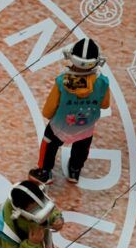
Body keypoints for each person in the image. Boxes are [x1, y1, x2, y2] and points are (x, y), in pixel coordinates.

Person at [29, 38, 110, 185]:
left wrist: (50, 116)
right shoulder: (103, 82)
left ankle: (44, 172)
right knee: (82, 149)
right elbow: (105, 104)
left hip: (60, 126)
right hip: (86, 127)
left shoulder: (62, 82)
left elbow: (48, 110)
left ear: (71, 57)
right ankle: (74, 171)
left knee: (49, 143)